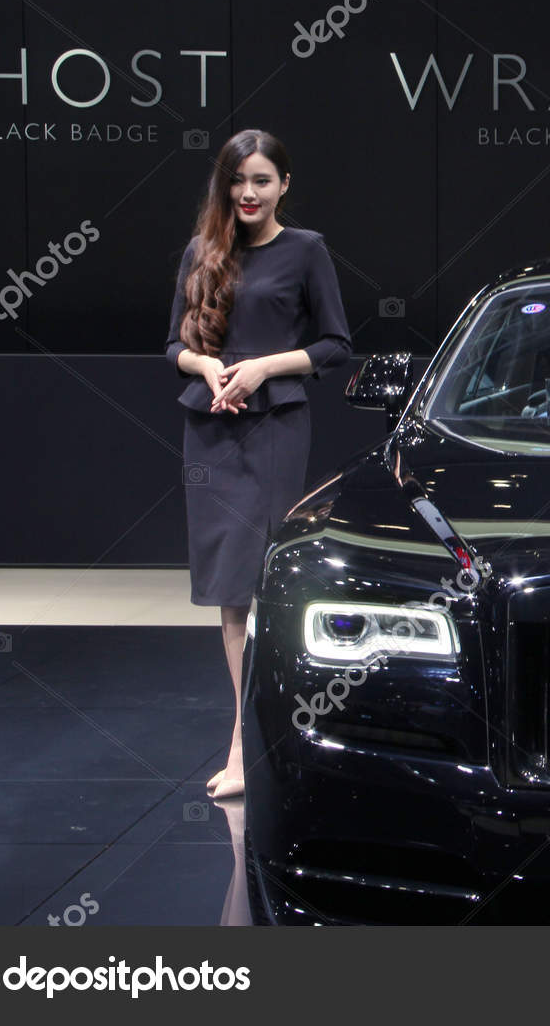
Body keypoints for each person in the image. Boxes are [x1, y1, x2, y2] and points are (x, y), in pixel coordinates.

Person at [165, 130, 351, 799]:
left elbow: (335, 345)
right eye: (238, 179)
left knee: (263, 578)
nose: (248, 192)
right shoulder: (202, 250)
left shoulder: (306, 250)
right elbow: (173, 347)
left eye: (262, 180)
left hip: (275, 427)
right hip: (211, 431)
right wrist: (209, 363)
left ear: (285, 184)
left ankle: (269, 732)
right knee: (229, 594)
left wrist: (264, 366)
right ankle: (243, 741)